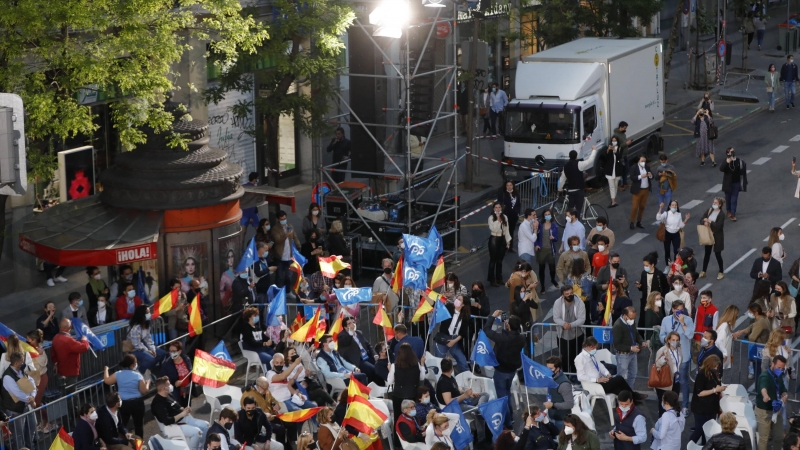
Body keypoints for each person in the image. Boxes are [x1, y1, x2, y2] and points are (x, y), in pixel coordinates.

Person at [483, 310, 525, 427]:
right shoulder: (521, 338)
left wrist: (492, 316)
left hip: (501, 371)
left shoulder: (502, 338)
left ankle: (508, 423)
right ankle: (510, 417)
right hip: (512, 371)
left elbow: (487, 330)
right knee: (507, 395)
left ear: (509, 326)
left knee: (502, 398)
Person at [436, 358, 488, 441]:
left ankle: (479, 407)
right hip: (455, 407)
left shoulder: (450, 378)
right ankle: (482, 439)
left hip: (463, 400)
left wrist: (469, 393)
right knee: (478, 412)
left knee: (485, 394)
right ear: (452, 368)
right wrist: (465, 395)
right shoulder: (443, 382)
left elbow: (457, 390)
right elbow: (448, 402)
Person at [151, 376, 209, 447]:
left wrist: (184, 409)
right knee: (196, 432)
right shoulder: (158, 403)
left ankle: (201, 446)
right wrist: (182, 414)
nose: (171, 386)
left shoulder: (168, 394)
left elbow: (178, 406)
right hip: (173, 426)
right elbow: (167, 421)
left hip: (184, 419)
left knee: (206, 425)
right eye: (169, 384)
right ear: (164, 388)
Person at [659, 300, 694, 414]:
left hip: (683, 357)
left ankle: (684, 406)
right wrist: (668, 340)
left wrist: (683, 323)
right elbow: (662, 335)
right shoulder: (666, 320)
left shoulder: (688, 320)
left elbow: (690, 335)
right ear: (673, 309)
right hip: (669, 356)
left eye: (681, 309)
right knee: (669, 381)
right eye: (677, 309)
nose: (679, 312)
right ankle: (669, 404)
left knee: (683, 381)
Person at [689, 355, 724, 445]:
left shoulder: (713, 373)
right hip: (701, 408)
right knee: (700, 429)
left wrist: (718, 389)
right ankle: (690, 445)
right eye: (715, 366)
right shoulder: (701, 375)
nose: (716, 368)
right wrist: (715, 390)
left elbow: (715, 384)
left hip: (711, 408)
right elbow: (699, 393)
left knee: (708, 431)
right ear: (709, 365)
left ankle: (705, 446)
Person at [2, 352, 34, 449]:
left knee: (32, 428)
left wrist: (32, 396)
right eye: (22, 361)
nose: (23, 363)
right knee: (18, 435)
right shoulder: (7, 377)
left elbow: (31, 382)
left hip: (27, 406)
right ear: (16, 363)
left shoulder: (21, 371)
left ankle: (30, 447)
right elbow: (17, 393)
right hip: (15, 411)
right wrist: (30, 399)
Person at [756, 355, 789, 450]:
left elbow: (783, 389)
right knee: (764, 439)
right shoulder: (765, 376)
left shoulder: (778, 375)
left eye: (782, 368)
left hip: (776, 410)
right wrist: (765, 396)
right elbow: (763, 388)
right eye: (779, 367)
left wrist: (784, 395)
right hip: (764, 412)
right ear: (772, 364)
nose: (780, 370)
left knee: (779, 437)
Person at [388, 343, 425, 427]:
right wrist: (422, 365)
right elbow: (422, 377)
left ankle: (398, 438)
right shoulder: (417, 365)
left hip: (399, 396)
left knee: (398, 419)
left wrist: (390, 370)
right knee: (413, 418)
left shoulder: (394, 366)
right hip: (413, 395)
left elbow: (390, 382)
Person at [612, 307, 648, 391]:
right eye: (631, 318)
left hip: (632, 354)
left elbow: (636, 333)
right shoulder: (618, 326)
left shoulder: (631, 322)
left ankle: (629, 393)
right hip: (622, 355)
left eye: (634, 318)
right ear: (625, 315)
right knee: (621, 377)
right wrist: (631, 348)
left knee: (633, 374)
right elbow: (617, 345)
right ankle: (620, 395)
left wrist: (641, 342)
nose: (632, 320)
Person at [553, 286, 586, 376]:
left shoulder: (580, 302)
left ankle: (576, 376)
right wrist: (564, 324)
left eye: (571, 293)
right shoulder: (557, 303)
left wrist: (571, 325)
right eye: (567, 294)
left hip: (577, 334)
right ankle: (566, 376)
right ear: (562, 295)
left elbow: (582, 319)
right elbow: (556, 317)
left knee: (576, 356)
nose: (569, 295)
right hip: (562, 335)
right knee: (564, 356)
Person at [432, 297, 471, 373]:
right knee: (439, 362)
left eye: (459, 299)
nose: (456, 300)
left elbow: (463, 333)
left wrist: (454, 341)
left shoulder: (465, 316)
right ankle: (437, 380)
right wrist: (426, 297)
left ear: (463, 304)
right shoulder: (449, 307)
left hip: (455, 340)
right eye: (457, 298)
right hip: (443, 338)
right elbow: (436, 306)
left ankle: (467, 379)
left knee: (463, 362)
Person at [559, 147, 598, 220]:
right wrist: (594, 150)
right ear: (576, 156)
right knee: (578, 210)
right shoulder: (579, 164)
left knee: (570, 210)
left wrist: (560, 188)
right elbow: (590, 160)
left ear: (569, 156)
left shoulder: (565, 167)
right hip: (579, 190)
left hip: (571, 191)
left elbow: (562, 179)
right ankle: (577, 226)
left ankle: (569, 226)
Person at [127, 304, 167, 375]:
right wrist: (148, 350)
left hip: (142, 347)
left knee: (162, 353)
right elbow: (136, 344)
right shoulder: (135, 327)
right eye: (147, 313)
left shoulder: (146, 324)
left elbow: (148, 339)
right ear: (142, 314)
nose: (150, 314)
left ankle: (148, 371)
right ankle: (140, 374)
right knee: (150, 358)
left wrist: (153, 349)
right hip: (134, 349)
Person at [52, 317, 90, 387]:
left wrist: (55, 363)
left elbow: (53, 355)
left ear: (60, 327)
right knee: (72, 393)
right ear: (70, 327)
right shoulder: (68, 340)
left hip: (60, 370)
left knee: (63, 390)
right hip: (70, 371)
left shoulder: (55, 338)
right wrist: (84, 340)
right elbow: (84, 347)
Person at [337, 316, 377, 381]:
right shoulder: (342, 335)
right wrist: (351, 332)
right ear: (345, 327)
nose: (352, 324)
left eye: (353, 322)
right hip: (358, 360)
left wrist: (375, 354)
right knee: (372, 369)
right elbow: (346, 342)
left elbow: (368, 345)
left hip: (367, 356)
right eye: (349, 323)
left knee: (380, 366)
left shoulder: (359, 333)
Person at [270, 209, 302, 290]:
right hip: (280, 256)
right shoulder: (275, 229)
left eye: (285, 218)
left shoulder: (290, 226)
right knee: (279, 276)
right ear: (278, 219)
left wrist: (298, 246)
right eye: (282, 219)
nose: (284, 220)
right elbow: (277, 240)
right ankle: (278, 291)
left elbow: (295, 237)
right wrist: (286, 235)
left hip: (289, 256)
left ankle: (288, 291)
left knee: (289, 276)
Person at [654, 331, 681, 417]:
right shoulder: (662, 350)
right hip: (664, 380)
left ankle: (673, 422)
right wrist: (664, 359)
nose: (675, 342)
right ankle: (662, 423)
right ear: (668, 340)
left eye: (677, 340)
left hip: (676, 379)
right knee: (664, 404)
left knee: (674, 401)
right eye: (673, 339)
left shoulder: (679, 349)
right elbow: (657, 364)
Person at [637, 252, 669, 323]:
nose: (645, 267)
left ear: (652, 265)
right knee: (643, 319)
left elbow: (666, 287)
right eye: (644, 265)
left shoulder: (659, 275)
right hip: (646, 300)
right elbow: (643, 287)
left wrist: (661, 296)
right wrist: (640, 286)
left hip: (656, 301)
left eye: (647, 265)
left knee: (657, 318)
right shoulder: (644, 273)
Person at [240, 306, 274, 372]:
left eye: (257, 315)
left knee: (277, 355)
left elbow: (264, 337)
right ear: (249, 317)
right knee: (269, 359)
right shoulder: (246, 328)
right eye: (255, 315)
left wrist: (271, 342)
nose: (257, 317)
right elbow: (251, 342)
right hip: (253, 351)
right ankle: (270, 376)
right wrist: (264, 344)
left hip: (261, 349)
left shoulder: (257, 327)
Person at [544, 356, 574, 430]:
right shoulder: (551, 378)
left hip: (561, 419)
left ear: (558, 369)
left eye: (551, 369)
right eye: (547, 368)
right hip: (551, 415)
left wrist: (553, 405)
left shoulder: (564, 384)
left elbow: (570, 404)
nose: (548, 371)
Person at [535, 208, 560, 293]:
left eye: (548, 214)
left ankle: (553, 279)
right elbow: (536, 236)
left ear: (551, 215)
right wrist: (537, 245)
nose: (547, 216)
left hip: (550, 249)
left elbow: (556, 238)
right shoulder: (540, 225)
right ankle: (542, 287)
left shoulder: (554, 226)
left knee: (552, 268)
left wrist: (553, 238)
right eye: (545, 215)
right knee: (541, 268)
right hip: (541, 250)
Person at [487, 201, 512, 287]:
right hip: (494, 239)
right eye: (496, 208)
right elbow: (494, 229)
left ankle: (499, 278)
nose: (497, 209)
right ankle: (491, 279)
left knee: (500, 260)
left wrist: (508, 241)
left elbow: (507, 229)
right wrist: (498, 220)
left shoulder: (504, 217)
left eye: (499, 207)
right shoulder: (491, 218)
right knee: (493, 260)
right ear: (493, 209)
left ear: (501, 208)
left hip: (502, 239)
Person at [162, 341, 193, 406]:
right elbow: (163, 380)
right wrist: (174, 383)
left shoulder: (186, 359)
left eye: (174, 351)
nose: (171, 353)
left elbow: (191, 372)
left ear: (179, 351)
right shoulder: (166, 364)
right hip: (176, 394)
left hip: (188, 392)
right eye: (170, 351)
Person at [720, 147, 747, 222]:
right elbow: (721, 169)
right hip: (728, 184)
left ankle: (733, 214)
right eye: (731, 152)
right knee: (728, 198)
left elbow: (743, 172)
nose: (733, 153)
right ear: (727, 153)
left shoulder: (739, 161)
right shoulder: (726, 161)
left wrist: (744, 182)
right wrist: (727, 162)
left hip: (736, 183)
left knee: (734, 199)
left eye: (733, 151)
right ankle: (728, 210)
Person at [564, 259, 594, 324]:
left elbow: (567, 286)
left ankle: (577, 332)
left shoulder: (570, 277)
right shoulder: (587, 276)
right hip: (585, 299)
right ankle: (588, 333)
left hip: (573, 300)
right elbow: (595, 282)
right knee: (586, 317)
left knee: (574, 317)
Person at [629, 154, 653, 230]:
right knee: (635, 207)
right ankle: (632, 222)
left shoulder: (647, 167)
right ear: (639, 160)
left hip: (645, 190)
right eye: (642, 161)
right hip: (637, 190)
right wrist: (640, 176)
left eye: (644, 161)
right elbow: (632, 177)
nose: (643, 162)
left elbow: (651, 176)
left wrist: (650, 175)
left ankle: (639, 221)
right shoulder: (634, 167)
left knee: (642, 207)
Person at [600, 136, 624, 207]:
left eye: (615, 140)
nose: (614, 142)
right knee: (611, 186)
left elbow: (619, 157)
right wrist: (608, 150)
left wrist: (615, 151)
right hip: (609, 171)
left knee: (615, 186)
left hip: (617, 170)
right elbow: (606, 158)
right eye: (612, 140)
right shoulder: (608, 148)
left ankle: (614, 199)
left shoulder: (620, 148)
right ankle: (613, 201)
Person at [498, 180, 521, 247]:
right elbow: (499, 205)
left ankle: (510, 246)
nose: (509, 187)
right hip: (505, 215)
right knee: (504, 231)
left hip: (514, 216)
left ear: (513, 186)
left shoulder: (516, 194)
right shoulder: (502, 194)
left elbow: (518, 204)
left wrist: (518, 213)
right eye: (507, 185)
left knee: (511, 231)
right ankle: (503, 246)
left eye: (510, 185)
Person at [613, 121, 633, 190]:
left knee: (626, 170)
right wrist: (626, 144)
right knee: (620, 171)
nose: (625, 129)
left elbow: (624, 140)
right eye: (624, 128)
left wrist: (628, 141)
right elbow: (616, 147)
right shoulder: (615, 136)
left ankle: (625, 183)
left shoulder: (623, 134)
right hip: (620, 156)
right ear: (620, 127)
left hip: (625, 155)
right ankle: (619, 184)